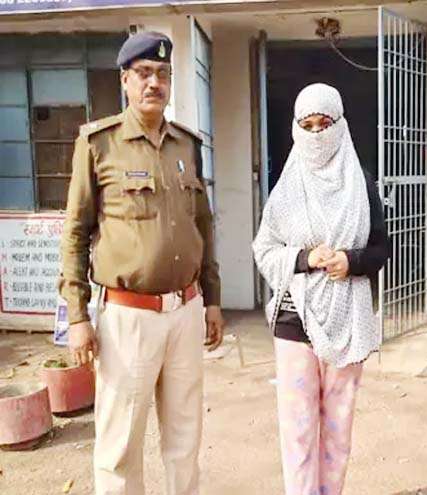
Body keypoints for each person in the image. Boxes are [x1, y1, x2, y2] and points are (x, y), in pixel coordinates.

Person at [59, 31, 224, 495]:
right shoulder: (99, 144)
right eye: (145, 73)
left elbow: (203, 226)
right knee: (120, 446)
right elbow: (75, 233)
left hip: (186, 311)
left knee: (185, 438)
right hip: (128, 318)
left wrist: (212, 299)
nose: (155, 83)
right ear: (125, 80)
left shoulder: (187, 145)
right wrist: (77, 316)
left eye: (163, 74)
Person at [253, 83, 389, 495]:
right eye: (307, 125)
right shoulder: (287, 188)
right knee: (297, 434)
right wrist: (304, 258)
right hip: (294, 320)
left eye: (324, 124)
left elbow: (381, 248)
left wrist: (351, 261)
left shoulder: (362, 184)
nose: (316, 134)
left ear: (340, 125)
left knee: (337, 431)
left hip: (347, 321)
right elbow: (264, 248)